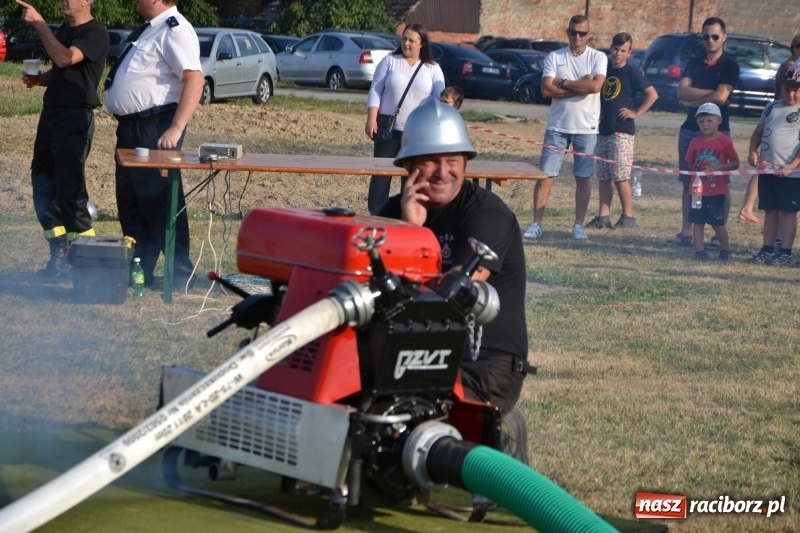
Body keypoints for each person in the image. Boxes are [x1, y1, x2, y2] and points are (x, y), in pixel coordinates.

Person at [379, 96, 533, 463]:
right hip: (415, 350)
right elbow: (369, 278)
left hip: (486, 360)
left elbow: (455, 294)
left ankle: (504, 431)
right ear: (410, 165)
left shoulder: (487, 215)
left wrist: (413, 235)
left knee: (423, 422)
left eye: (453, 160)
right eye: (431, 160)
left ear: (466, 163)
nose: (443, 171)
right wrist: (407, 227)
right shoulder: (393, 212)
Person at [105, 0, 204, 288]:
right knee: (132, 202)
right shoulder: (152, 29)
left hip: (156, 127)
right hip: (131, 128)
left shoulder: (175, 30)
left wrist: (176, 127)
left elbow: (194, 80)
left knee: (160, 202)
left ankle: (180, 271)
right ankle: (140, 269)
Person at [15, 0, 108, 277]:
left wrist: (40, 25)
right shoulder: (66, 30)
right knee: (43, 186)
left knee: (71, 191)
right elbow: (61, 71)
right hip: (52, 115)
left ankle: (86, 262)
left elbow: (66, 58)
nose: (63, 0)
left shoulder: (96, 32)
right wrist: (39, 80)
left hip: (75, 117)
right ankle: (58, 256)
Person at [522, 14, 607, 241]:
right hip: (557, 127)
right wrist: (581, 86)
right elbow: (546, 90)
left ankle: (578, 225)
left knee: (583, 177)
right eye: (572, 32)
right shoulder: (555, 56)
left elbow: (596, 86)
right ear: (567, 32)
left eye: (582, 33)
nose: (577, 36)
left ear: (589, 34)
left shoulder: (598, 57)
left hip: (586, 128)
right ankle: (536, 224)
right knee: (545, 177)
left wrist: (564, 82)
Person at [669, 17, 739, 247]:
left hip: (720, 132)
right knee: (689, 181)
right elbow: (681, 90)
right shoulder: (693, 62)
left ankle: (719, 234)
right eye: (706, 36)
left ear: (724, 37)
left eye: (715, 36)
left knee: (720, 181)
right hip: (690, 130)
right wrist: (709, 94)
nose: (710, 40)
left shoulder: (730, 65)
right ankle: (687, 231)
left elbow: (721, 97)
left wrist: (692, 101)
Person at [365, 23, 445, 215]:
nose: (406, 43)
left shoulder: (432, 68)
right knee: (381, 175)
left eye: (411, 40)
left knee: (412, 177)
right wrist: (371, 118)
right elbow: (375, 89)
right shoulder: (390, 61)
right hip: (388, 129)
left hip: (417, 133)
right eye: (404, 38)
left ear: (422, 44)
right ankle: (377, 214)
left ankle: (407, 215)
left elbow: (440, 97)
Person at [586, 32, 658, 230]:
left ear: (629, 53)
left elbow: (652, 94)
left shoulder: (632, 72)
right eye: (616, 49)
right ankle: (603, 216)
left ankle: (628, 216)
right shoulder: (605, 70)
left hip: (622, 131)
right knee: (604, 175)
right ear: (611, 49)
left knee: (620, 175)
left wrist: (636, 112)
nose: (618, 53)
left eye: (623, 50)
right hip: (604, 129)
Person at [738, 33, 800, 226]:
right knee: (768, 172)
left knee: (787, 203)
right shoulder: (790, 67)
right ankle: (748, 208)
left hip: (790, 147)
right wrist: (752, 150)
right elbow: (758, 132)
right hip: (781, 117)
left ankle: (783, 240)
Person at [747, 67, 800, 266]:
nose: (791, 94)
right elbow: (758, 133)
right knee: (770, 209)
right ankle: (767, 248)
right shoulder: (772, 108)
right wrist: (753, 151)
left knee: (788, 212)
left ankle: (785, 251)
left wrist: (791, 166)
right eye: (787, 89)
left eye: (796, 90)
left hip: (791, 174)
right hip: (768, 169)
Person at [685, 103, 740, 261]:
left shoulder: (725, 141)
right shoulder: (695, 142)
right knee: (698, 221)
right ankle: (700, 252)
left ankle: (725, 249)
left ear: (719, 121)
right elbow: (689, 163)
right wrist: (697, 175)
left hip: (717, 190)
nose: (705, 124)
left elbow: (735, 163)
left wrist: (721, 167)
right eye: (701, 121)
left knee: (718, 223)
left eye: (709, 120)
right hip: (697, 191)